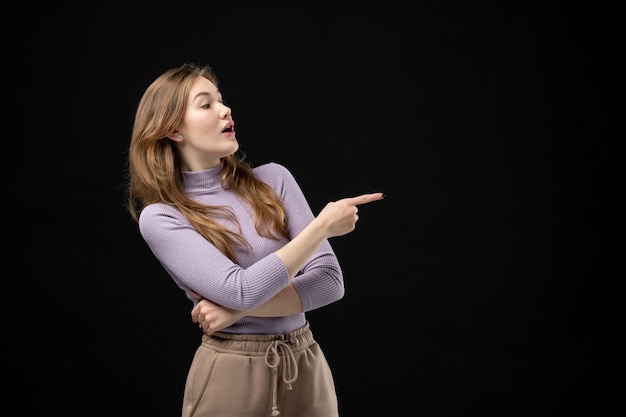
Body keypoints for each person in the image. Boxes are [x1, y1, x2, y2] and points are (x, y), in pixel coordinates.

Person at [125, 62, 384, 417]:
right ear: (173, 129)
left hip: (305, 362)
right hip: (231, 369)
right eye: (206, 104)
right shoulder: (163, 217)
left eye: (221, 100)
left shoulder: (273, 180)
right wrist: (319, 229)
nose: (225, 109)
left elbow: (330, 282)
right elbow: (241, 289)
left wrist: (233, 311)